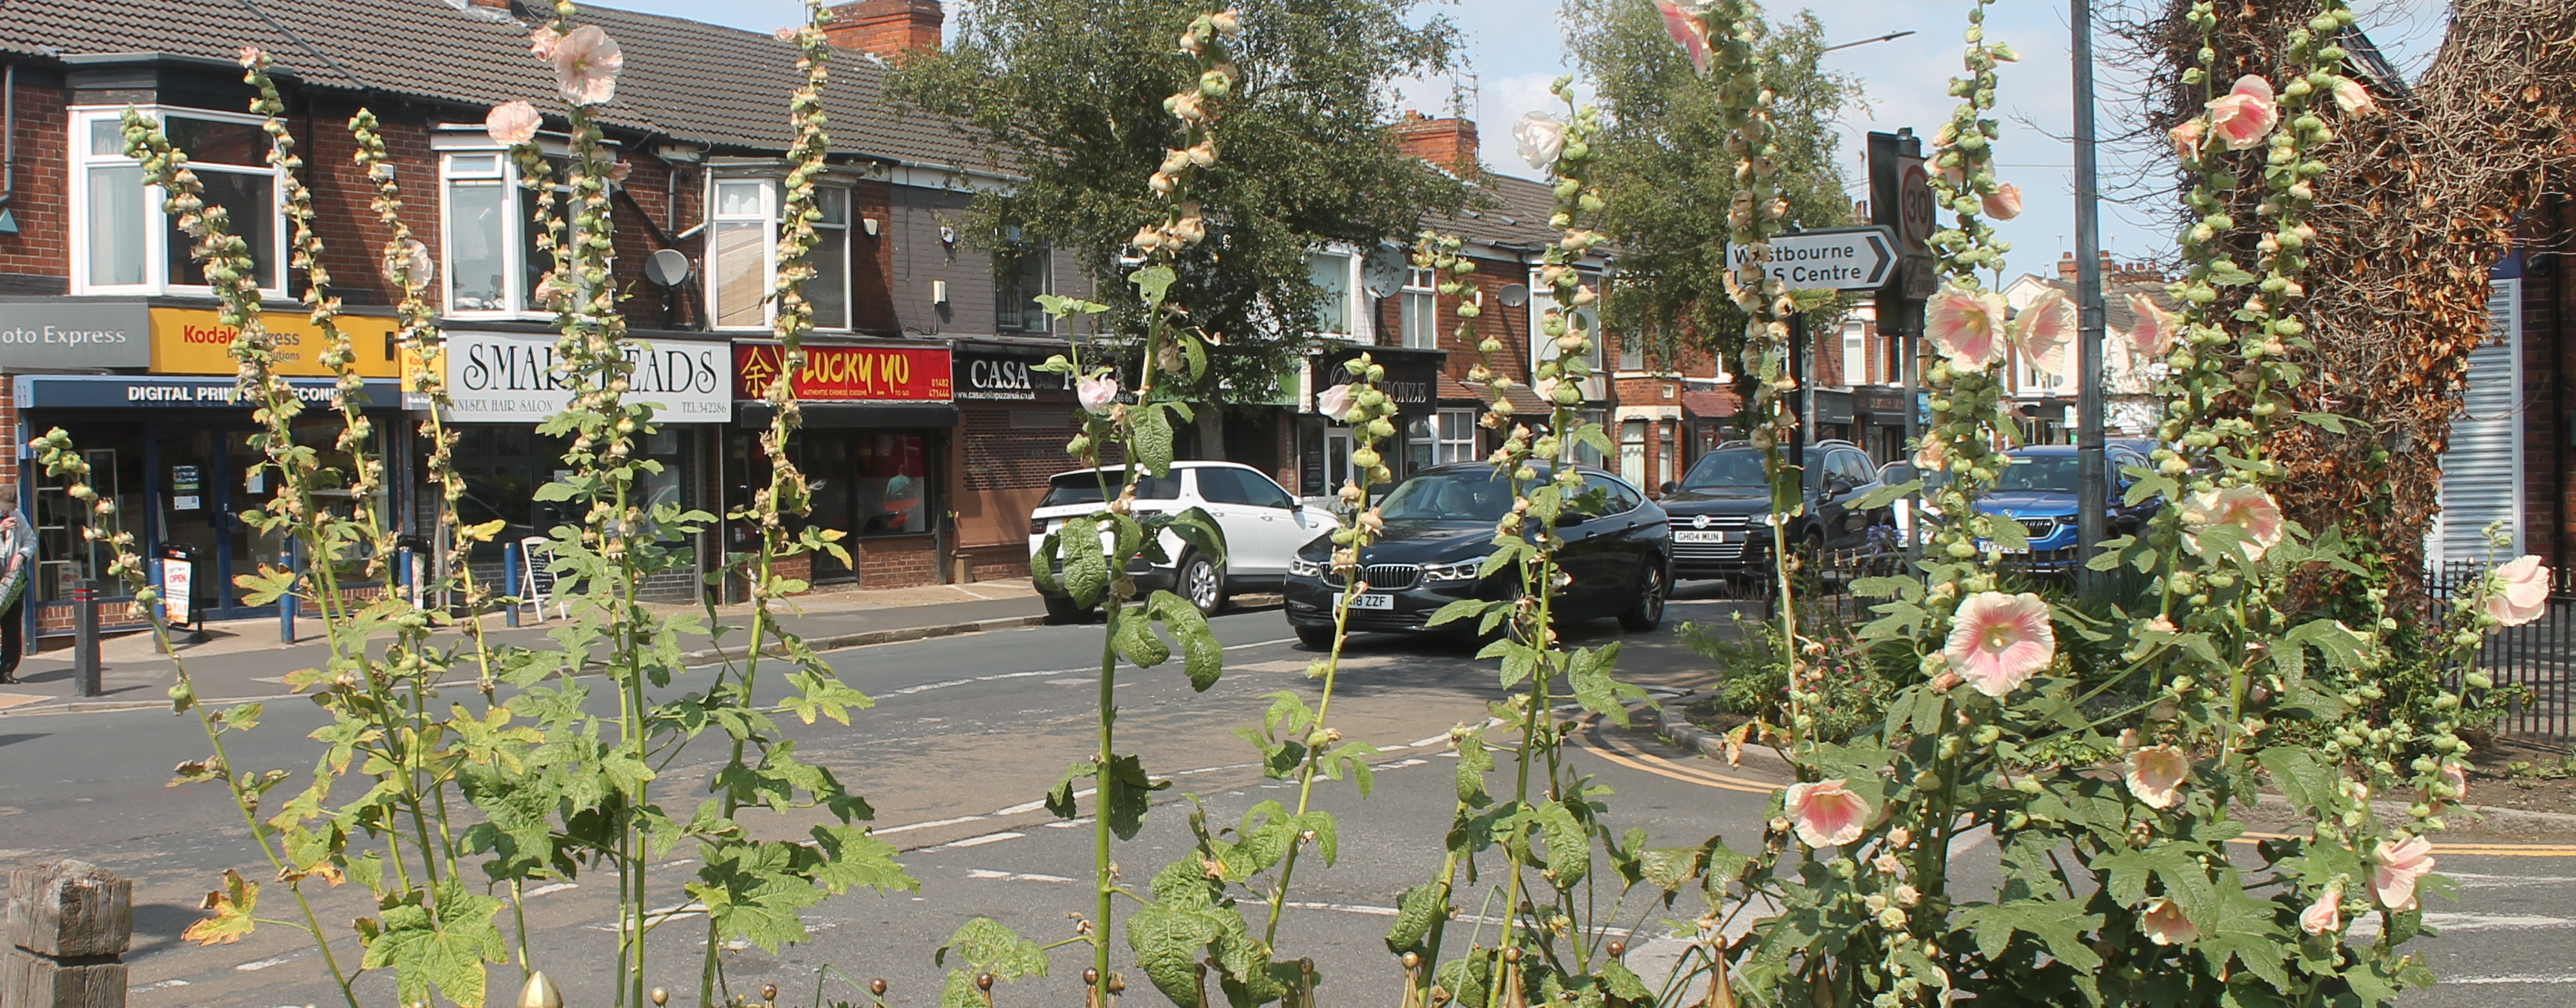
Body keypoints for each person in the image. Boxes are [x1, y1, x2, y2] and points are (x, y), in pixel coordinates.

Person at [0, 489, 31, 684]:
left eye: (10, 509)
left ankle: (7, 670)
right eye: (4, 509)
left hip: (10, 579)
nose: (8, 513)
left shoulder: (18, 516)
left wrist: (21, 555)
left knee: (12, 626)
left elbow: (31, 540)